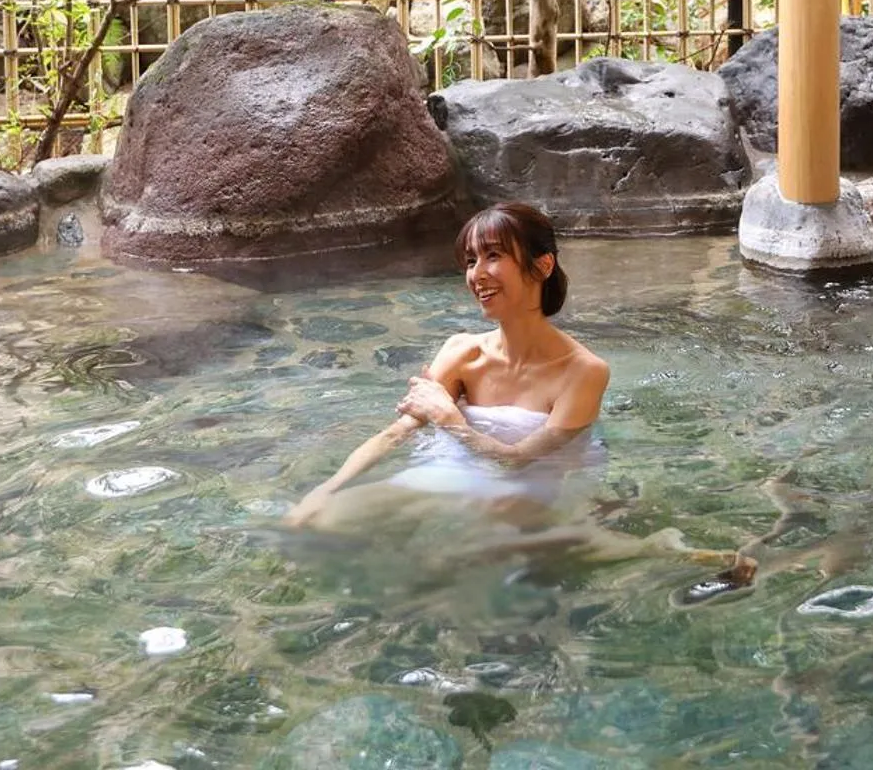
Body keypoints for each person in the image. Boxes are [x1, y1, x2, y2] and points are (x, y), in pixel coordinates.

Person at [278, 202, 755, 593]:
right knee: (321, 521)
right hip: (448, 470)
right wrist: (326, 488)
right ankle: (576, 543)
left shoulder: (583, 372)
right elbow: (397, 431)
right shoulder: (461, 351)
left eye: (491, 257)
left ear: (541, 265)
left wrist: (451, 419)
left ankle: (642, 546)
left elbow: (518, 461)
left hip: (533, 481)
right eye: (469, 261)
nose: (476, 274)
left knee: (474, 554)